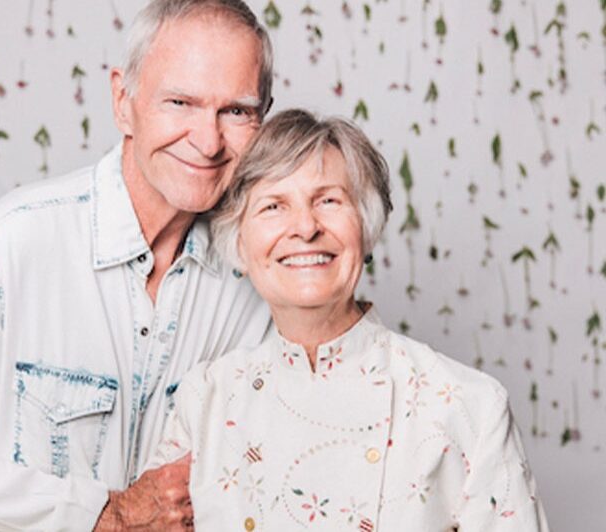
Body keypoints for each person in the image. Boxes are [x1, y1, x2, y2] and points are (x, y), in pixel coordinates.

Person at [0, 1, 274, 530]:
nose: (208, 140)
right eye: (180, 102)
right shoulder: (12, 243)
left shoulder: (264, 277)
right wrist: (108, 515)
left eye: (236, 111)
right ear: (124, 101)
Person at [145, 109, 550, 530]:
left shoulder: (468, 406)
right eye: (273, 206)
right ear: (240, 243)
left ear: (366, 225)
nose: (304, 227)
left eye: (328, 200)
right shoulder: (203, 402)